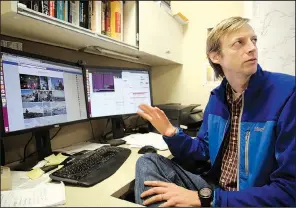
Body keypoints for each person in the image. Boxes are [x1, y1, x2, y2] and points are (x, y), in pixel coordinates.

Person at [134, 16, 296, 207]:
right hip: (215, 190)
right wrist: (171, 133)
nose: (252, 48)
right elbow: (203, 153)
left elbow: (289, 190)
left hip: (248, 200)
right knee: (148, 162)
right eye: (239, 42)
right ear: (215, 56)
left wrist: (209, 200)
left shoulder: (287, 93)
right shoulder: (218, 97)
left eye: (253, 40)